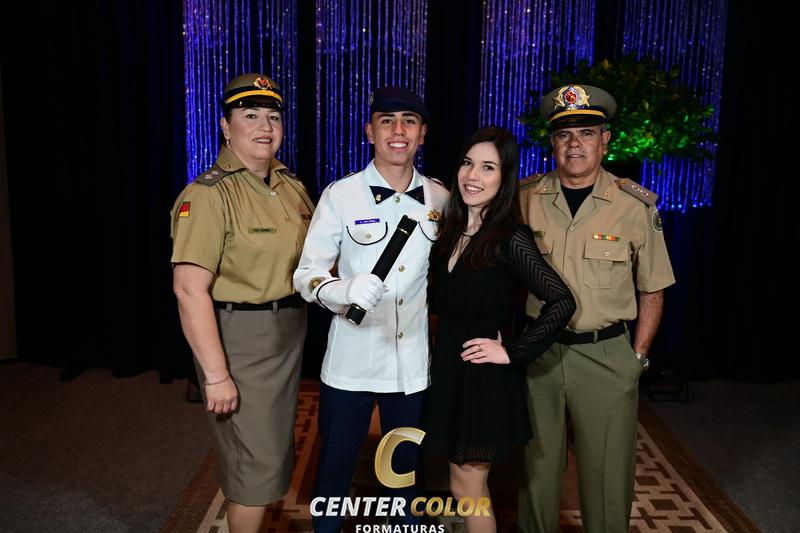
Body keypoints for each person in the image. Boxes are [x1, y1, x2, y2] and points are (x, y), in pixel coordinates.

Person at [517, 84, 676, 533]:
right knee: (536, 472)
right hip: (540, 354)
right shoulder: (524, 198)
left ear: (605, 141)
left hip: (605, 355)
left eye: (586, 133)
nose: (575, 144)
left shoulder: (633, 206)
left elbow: (653, 288)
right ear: (553, 143)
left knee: (607, 476)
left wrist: (637, 358)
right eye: (564, 135)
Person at [293, 86, 448, 532]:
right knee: (335, 470)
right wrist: (343, 289)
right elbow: (306, 275)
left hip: (410, 364)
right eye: (387, 121)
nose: (398, 131)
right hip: (351, 361)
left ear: (422, 134)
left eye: (409, 121)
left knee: (404, 474)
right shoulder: (340, 195)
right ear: (369, 131)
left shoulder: (441, 198)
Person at [170, 73, 314, 533]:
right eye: (250, 115)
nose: (265, 126)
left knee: (270, 454)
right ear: (225, 127)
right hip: (241, 342)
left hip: (288, 333)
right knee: (253, 466)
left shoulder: (290, 186)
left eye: (273, 117)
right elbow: (188, 290)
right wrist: (216, 376)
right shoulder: (207, 196)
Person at [422, 126, 575, 533]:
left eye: (488, 167)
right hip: (451, 370)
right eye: (468, 163)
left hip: (482, 378)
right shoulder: (451, 229)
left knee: (469, 488)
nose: (473, 176)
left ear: (505, 178)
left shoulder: (510, 237)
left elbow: (562, 302)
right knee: (461, 486)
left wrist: (513, 351)